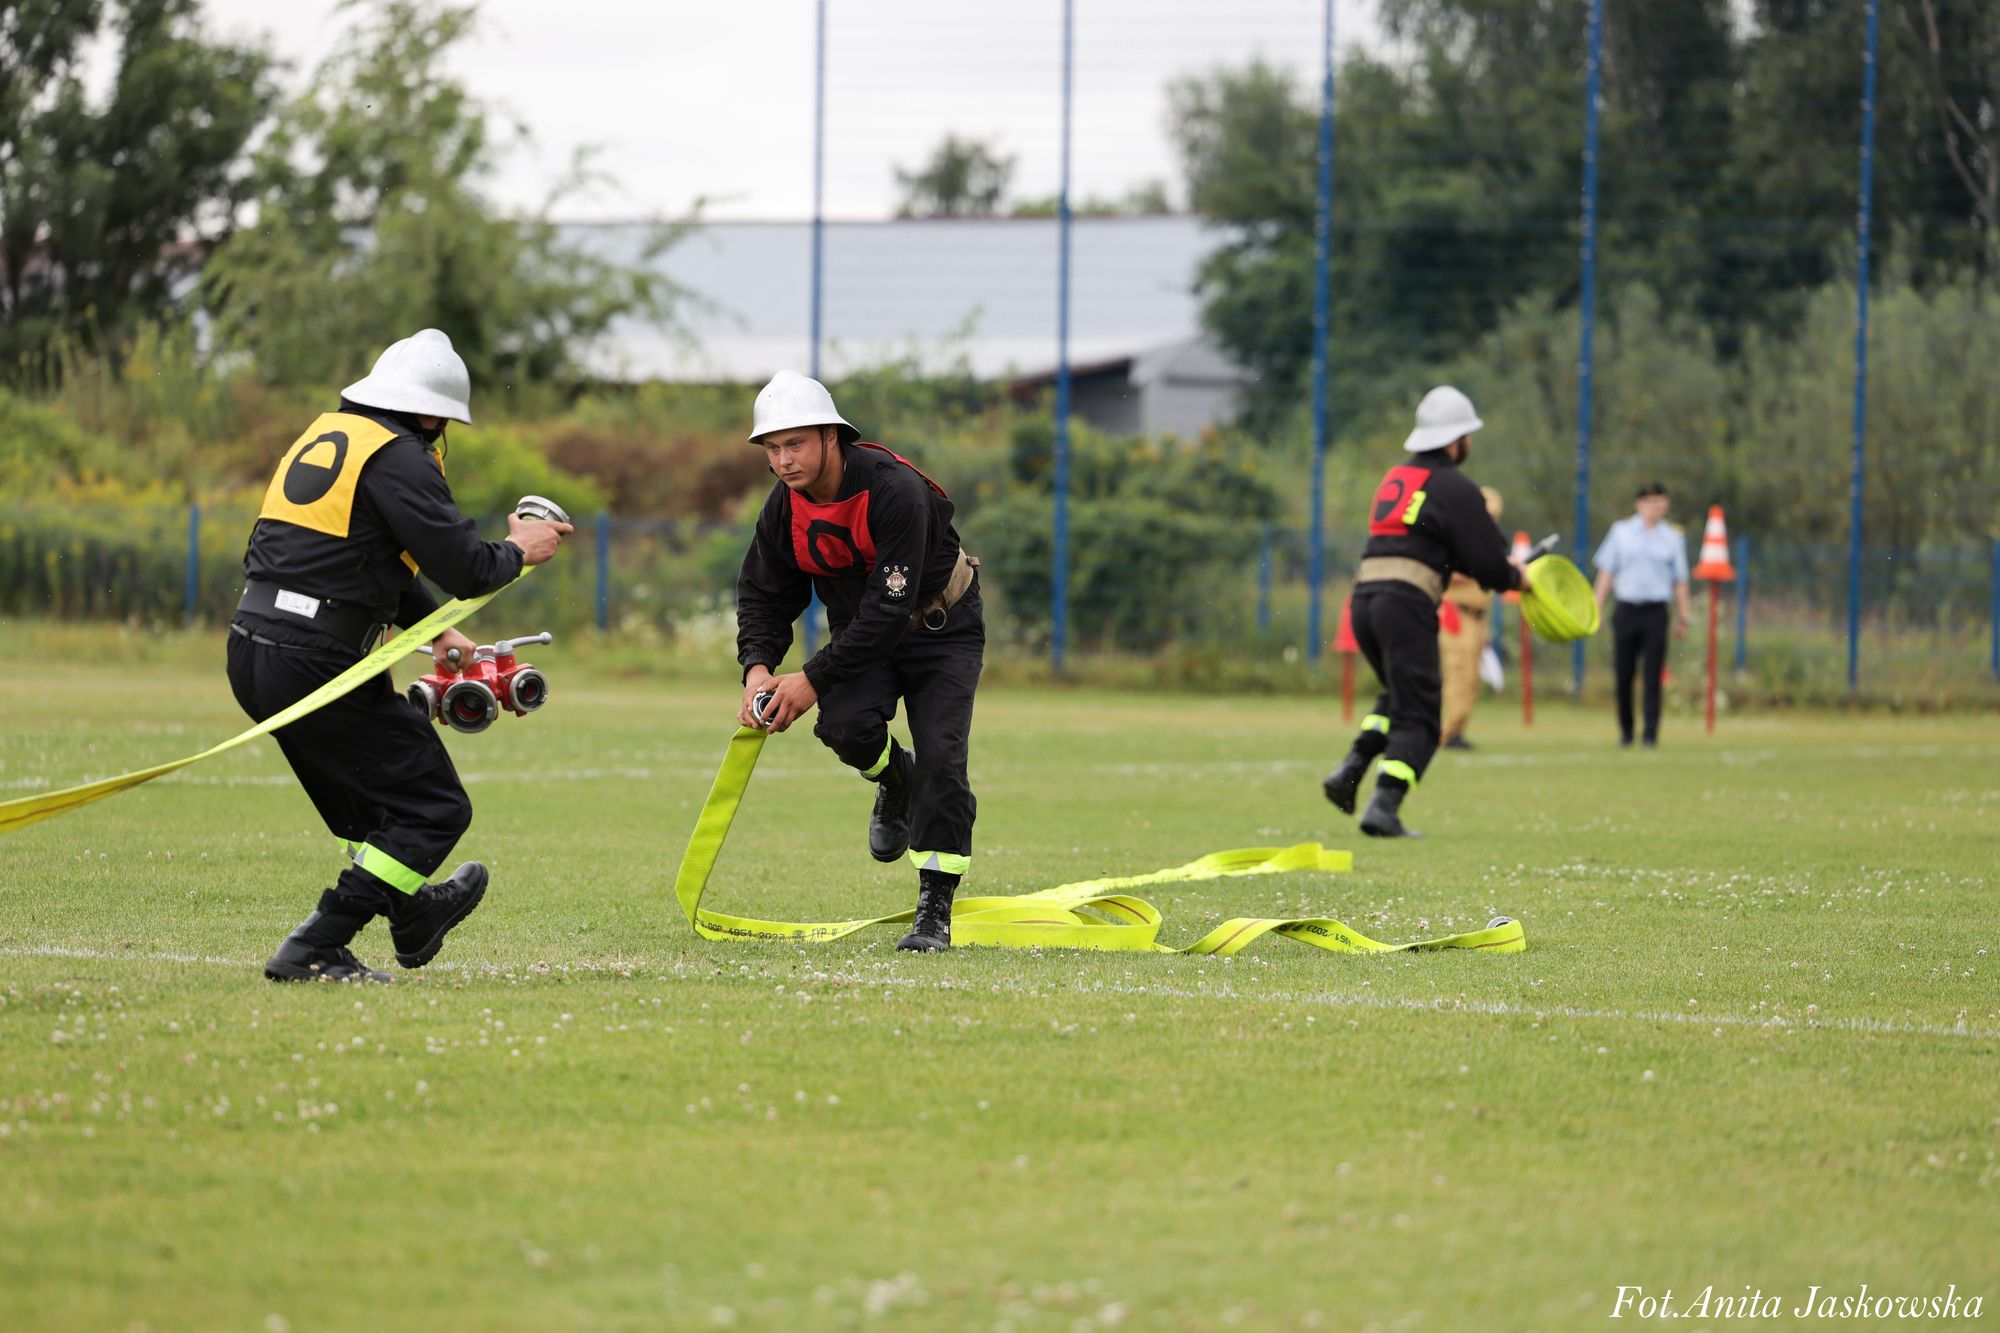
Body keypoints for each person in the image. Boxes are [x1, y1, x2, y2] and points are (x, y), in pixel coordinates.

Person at [227, 329, 572, 982]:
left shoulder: (334, 435)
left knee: (369, 813)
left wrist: (434, 629)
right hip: (314, 657)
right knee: (436, 807)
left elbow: (365, 553)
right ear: (432, 412)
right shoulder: (400, 455)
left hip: (253, 648)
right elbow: (468, 567)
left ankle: (413, 913)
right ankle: (317, 944)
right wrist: (519, 548)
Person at [734, 371, 984, 952]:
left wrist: (811, 679)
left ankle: (934, 910)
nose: (784, 461)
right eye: (772, 449)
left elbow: (890, 610)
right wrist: (758, 669)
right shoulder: (783, 508)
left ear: (831, 437)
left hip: (940, 628)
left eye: (795, 444)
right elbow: (763, 594)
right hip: (863, 630)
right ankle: (898, 777)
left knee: (944, 761)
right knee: (845, 727)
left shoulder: (894, 491)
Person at [1321, 386, 1523, 837]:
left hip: (1365, 599)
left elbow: (1437, 545)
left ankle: (1351, 771)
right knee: (1423, 714)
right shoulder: (1454, 485)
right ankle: (1384, 807)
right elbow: (1488, 559)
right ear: (1457, 441)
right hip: (1404, 602)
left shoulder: (1397, 477)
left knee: (1397, 695)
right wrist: (1516, 578)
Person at [1592, 482, 1693, 748]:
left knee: (1652, 676)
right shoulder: (1621, 532)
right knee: (1623, 674)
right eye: (1649, 502)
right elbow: (1606, 573)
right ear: (1639, 504)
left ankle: (1650, 734)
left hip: (1656, 612)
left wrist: (1684, 615)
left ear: (1666, 505)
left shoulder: (1673, 537)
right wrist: (1595, 609)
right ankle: (1626, 732)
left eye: (1659, 502)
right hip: (1626, 609)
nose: (1654, 508)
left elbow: (1680, 580)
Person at [1438, 485, 1505, 751]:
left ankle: (1457, 730)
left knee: (1471, 679)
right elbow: (1444, 570)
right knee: (1459, 673)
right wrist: (1479, 569)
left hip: (1477, 617)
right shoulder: (1456, 538)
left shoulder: (1485, 542)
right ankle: (1446, 733)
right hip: (1456, 613)